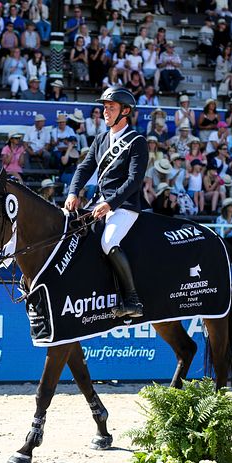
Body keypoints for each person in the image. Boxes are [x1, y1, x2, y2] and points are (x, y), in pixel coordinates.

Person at [65, 86, 148, 318]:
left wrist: (110, 204)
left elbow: (134, 181)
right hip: (100, 202)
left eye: (111, 107)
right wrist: (73, 192)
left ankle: (133, 300)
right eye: (105, 107)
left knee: (108, 241)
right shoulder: (101, 139)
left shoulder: (137, 141)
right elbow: (84, 167)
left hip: (125, 206)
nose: (105, 112)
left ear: (125, 111)